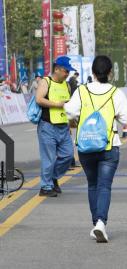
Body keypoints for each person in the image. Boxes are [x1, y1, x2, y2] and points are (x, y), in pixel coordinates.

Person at [64, 55, 127, 243]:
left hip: (86, 146)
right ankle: (101, 223)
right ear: (110, 72)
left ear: (93, 73)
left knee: (93, 184)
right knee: (104, 185)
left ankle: (96, 222)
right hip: (109, 146)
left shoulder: (82, 90)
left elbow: (69, 111)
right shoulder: (115, 93)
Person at [35, 56, 76, 197]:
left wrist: (71, 123)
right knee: (49, 158)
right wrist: (56, 104)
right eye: (66, 71)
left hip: (63, 127)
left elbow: (68, 106)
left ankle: (52, 177)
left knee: (68, 155)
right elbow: (39, 99)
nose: (67, 74)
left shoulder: (67, 85)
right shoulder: (46, 82)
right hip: (47, 126)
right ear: (57, 69)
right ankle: (45, 187)